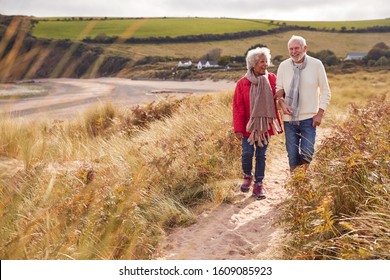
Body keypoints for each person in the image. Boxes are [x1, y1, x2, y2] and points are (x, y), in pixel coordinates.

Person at [232, 47, 283, 200]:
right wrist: (238, 128)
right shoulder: (242, 83)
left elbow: (281, 93)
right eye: (262, 61)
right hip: (248, 127)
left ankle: (258, 185)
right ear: (253, 63)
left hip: (265, 126)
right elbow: (237, 106)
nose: (265, 64)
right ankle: (247, 176)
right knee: (247, 154)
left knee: (261, 155)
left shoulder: (272, 79)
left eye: (266, 61)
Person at [276, 35, 331, 172]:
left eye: (297, 48)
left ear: (305, 48)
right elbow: (278, 92)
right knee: (292, 156)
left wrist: (319, 114)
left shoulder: (316, 64)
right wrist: (282, 104)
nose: (294, 52)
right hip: (289, 120)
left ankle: (303, 180)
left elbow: (326, 92)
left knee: (307, 153)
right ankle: (296, 184)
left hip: (309, 119)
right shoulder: (283, 66)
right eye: (291, 49)